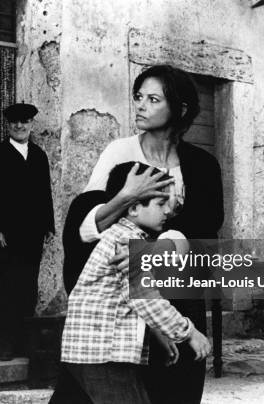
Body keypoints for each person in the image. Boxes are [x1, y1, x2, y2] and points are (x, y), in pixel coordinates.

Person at [57, 64, 222, 404]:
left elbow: (207, 229)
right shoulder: (119, 153)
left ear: (181, 108)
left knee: (174, 385)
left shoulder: (202, 165)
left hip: (174, 292)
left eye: (153, 99)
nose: (141, 106)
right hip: (118, 299)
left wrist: (164, 246)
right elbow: (84, 224)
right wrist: (127, 196)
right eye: (138, 97)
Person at [60, 161, 210, 404]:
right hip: (103, 352)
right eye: (161, 204)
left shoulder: (126, 236)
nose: (167, 211)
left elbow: (129, 298)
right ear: (132, 208)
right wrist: (189, 333)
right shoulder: (125, 241)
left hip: (95, 350)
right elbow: (147, 299)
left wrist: (158, 332)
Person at [0, 102, 55, 360]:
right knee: (7, 289)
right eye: (15, 123)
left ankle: (25, 342)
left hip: (32, 235)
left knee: (28, 289)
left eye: (25, 122)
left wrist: (48, 226)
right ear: (8, 126)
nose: (20, 126)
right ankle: (5, 344)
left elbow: (45, 193)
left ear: (31, 125)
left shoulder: (38, 155)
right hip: (7, 237)